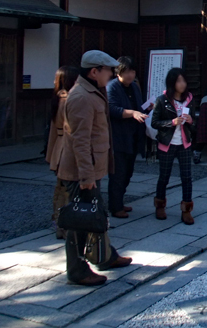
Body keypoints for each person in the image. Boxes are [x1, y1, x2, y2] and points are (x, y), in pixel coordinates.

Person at [58, 50, 132, 286]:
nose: (112, 74)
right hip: (83, 172)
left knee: (96, 215)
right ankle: (78, 269)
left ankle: (105, 256)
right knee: (81, 221)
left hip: (91, 168)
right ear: (94, 72)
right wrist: (86, 176)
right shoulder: (81, 96)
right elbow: (80, 140)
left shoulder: (91, 92)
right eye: (108, 70)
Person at [151, 67, 196, 225]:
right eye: (178, 81)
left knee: (187, 177)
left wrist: (190, 120)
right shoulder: (162, 100)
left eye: (184, 80)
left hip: (184, 143)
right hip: (167, 143)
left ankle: (186, 209)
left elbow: (194, 123)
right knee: (164, 176)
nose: (182, 84)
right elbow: (154, 122)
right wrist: (172, 122)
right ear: (172, 83)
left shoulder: (189, 98)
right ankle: (160, 205)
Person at [106, 56, 149, 219]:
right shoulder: (112, 87)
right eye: (126, 71)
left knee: (128, 172)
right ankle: (115, 206)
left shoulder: (135, 87)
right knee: (118, 173)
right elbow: (112, 109)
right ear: (118, 72)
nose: (130, 75)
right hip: (118, 137)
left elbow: (139, 108)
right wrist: (132, 113)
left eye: (132, 71)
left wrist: (147, 108)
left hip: (133, 137)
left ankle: (119, 201)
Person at [45, 65, 79, 240]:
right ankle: (65, 225)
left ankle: (58, 222)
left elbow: (52, 131)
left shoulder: (57, 99)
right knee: (68, 189)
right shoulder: (69, 100)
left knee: (60, 188)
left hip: (58, 145)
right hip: (67, 147)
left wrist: (50, 154)